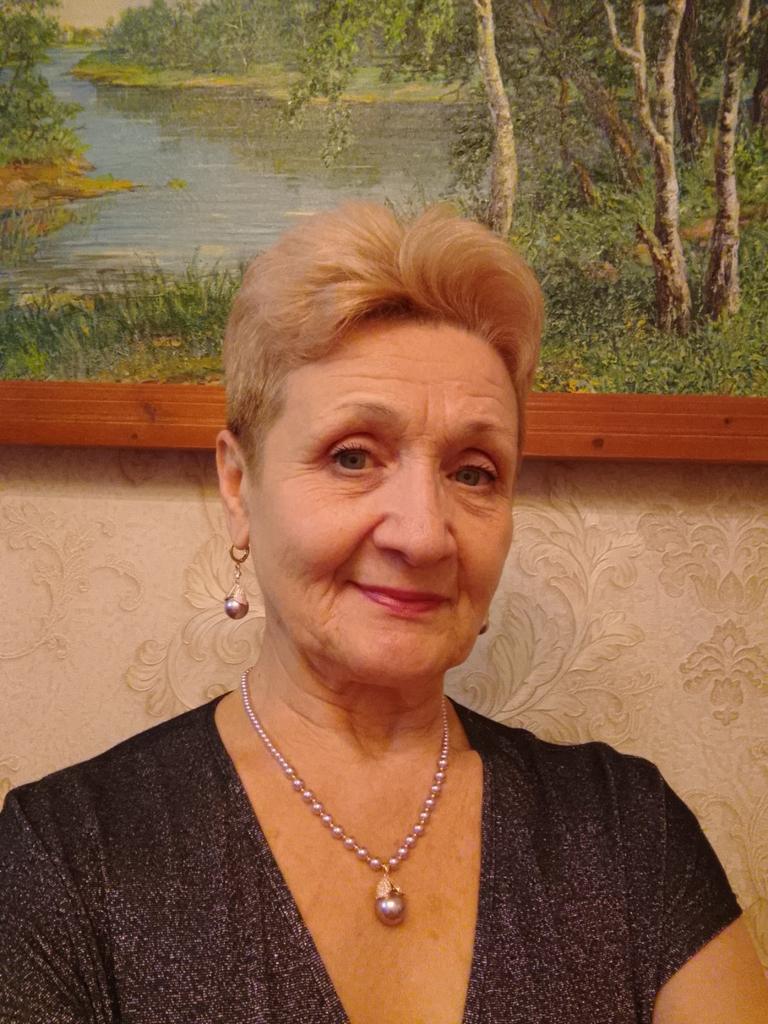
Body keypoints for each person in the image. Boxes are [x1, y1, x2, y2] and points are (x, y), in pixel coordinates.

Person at [1, 203, 766, 1024]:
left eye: (473, 473)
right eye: (353, 457)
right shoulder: (67, 859)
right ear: (238, 486)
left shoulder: (625, 830)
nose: (424, 534)